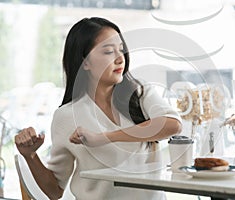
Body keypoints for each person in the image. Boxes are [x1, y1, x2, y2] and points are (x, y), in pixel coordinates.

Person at [14, 17, 182, 200]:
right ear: (85, 62)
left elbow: (173, 125)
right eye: (109, 51)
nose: (120, 58)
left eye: (121, 50)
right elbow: (54, 190)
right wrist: (30, 156)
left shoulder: (140, 93)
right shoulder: (67, 116)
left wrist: (103, 138)